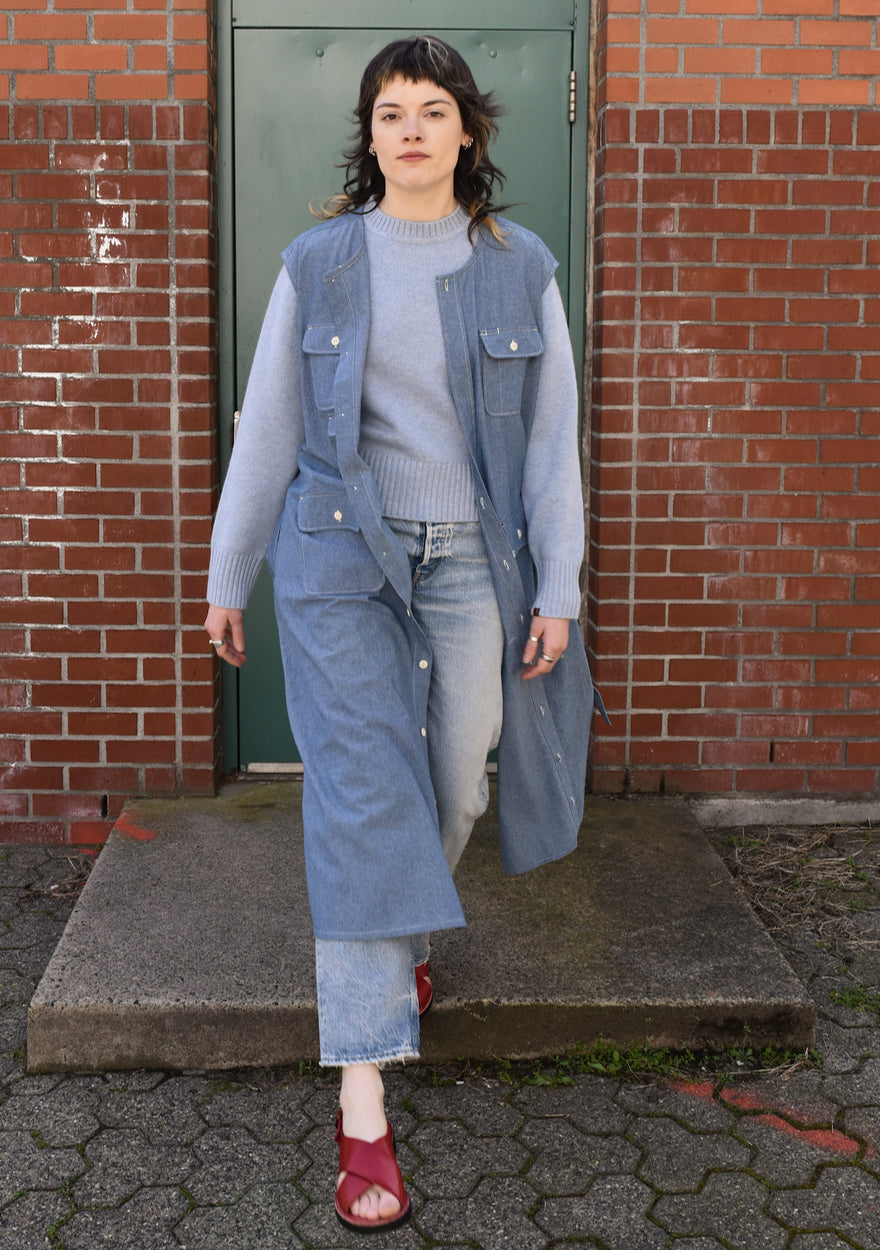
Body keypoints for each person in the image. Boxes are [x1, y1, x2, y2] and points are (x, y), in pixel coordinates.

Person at [205, 34, 594, 1233]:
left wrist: (559, 587)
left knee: (458, 780)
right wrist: (229, 572)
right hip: (341, 555)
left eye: (432, 110)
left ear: (467, 130)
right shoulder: (320, 260)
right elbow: (271, 426)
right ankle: (364, 1095)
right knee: (364, 796)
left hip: (474, 558)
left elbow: (551, 442)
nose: (410, 130)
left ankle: (403, 927)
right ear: (369, 135)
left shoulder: (518, 264)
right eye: (390, 113)